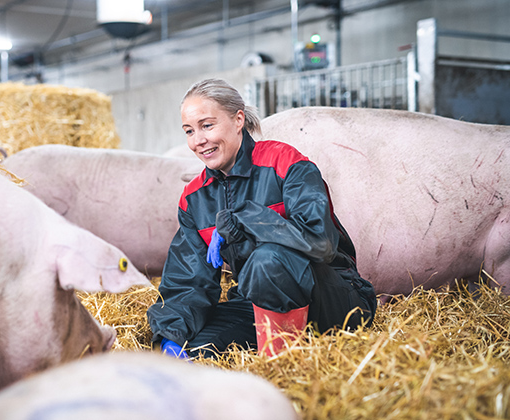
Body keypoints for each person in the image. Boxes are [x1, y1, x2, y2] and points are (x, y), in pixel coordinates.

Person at [146, 78, 377, 358]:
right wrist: (171, 338)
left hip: (333, 299)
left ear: (238, 119)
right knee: (196, 349)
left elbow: (321, 242)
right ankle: (266, 341)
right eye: (189, 131)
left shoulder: (286, 163)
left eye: (207, 125)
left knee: (268, 260)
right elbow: (187, 280)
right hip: (258, 302)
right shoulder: (195, 199)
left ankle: (282, 366)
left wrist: (247, 219)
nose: (198, 141)